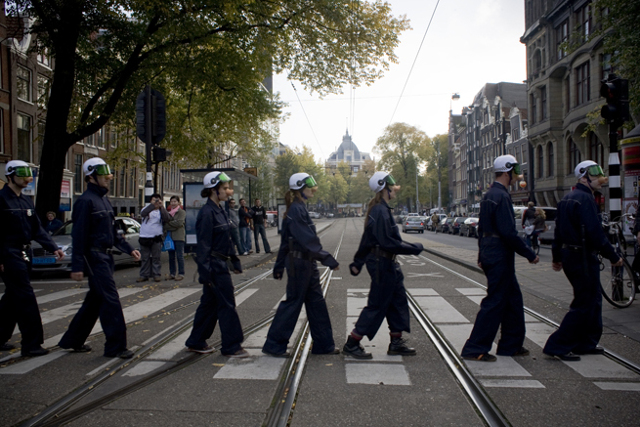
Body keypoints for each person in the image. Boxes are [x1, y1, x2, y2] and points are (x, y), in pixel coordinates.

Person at [58, 158, 141, 358]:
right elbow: (78, 236)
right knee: (110, 301)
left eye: (108, 175)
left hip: (105, 256)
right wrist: (77, 265)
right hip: (95, 258)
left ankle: (73, 339)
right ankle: (115, 347)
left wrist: (128, 249)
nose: (108, 179)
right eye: (104, 176)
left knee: (94, 301)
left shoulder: (103, 200)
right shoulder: (85, 202)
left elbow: (112, 232)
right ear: (91, 177)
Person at [460, 155, 539, 362]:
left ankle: (510, 345)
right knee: (495, 301)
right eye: (514, 172)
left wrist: (481, 254)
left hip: (490, 251)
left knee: (513, 299)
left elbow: (482, 228)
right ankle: (475, 347)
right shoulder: (502, 196)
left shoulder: (488, 195)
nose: (515, 176)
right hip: (499, 254)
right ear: (507, 172)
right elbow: (508, 232)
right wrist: (529, 254)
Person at [543, 160, 621, 361]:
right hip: (582, 256)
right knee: (585, 302)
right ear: (585, 177)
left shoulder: (567, 199)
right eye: (596, 175)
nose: (601, 179)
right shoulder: (585, 200)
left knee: (592, 299)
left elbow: (558, 232)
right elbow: (595, 232)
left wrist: (556, 256)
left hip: (571, 255)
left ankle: (586, 342)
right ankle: (557, 345)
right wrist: (613, 256)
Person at [342, 171, 424, 359]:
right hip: (382, 263)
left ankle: (396, 341)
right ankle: (353, 342)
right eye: (391, 183)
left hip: (387, 263)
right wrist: (413, 248)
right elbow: (386, 242)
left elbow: (367, 238)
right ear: (383, 187)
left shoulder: (381, 209)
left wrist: (358, 262)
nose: (395, 186)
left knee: (397, 301)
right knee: (377, 304)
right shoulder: (380, 211)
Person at [262, 173, 339, 357]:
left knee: (316, 304)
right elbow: (307, 239)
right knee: (293, 303)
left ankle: (324, 345)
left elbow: (285, 242)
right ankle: (274, 345)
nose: (313, 187)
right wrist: (327, 258)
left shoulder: (298, 208)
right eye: (309, 184)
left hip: (305, 262)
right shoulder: (297, 210)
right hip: (300, 263)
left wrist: (279, 265)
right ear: (299, 187)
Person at [0, 161, 64, 356]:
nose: (27, 177)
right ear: (10, 176)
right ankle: (31, 344)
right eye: (22, 173)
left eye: (29, 172)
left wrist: (53, 247)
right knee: (26, 297)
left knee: (12, 298)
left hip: (23, 252)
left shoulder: (26, 200)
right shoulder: (1, 200)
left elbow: (37, 228)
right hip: (8, 253)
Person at [185, 171, 248, 358]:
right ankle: (231, 346)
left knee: (209, 304)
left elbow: (227, 240)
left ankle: (196, 340)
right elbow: (203, 245)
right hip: (214, 266)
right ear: (214, 189)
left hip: (220, 263)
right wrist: (206, 272)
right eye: (225, 188)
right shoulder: (207, 213)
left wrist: (235, 261)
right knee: (227, 305)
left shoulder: (220, 210)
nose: (229, 192)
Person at [137, 193, 169, 282]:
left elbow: (166, 218)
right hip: (144, 237)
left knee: (156, 257)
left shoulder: (161, 211)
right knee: (145, 258)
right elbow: (143, 213)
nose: (156, 202)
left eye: (158, 200)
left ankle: (156, 274)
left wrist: (161, 207)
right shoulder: (145, 209)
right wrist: (152, 206)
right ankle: (144, 275)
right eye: (154, 200)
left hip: (156, 237)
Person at [164, 196, 186, 281]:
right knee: (171, 257)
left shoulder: (182, 212)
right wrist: (173, 225)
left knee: (180, 256)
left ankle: (181, 273)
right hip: (170, 237)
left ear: (178, 203)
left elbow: (179, 223)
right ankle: (172, 273)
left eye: (175, 201)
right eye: (171, 202)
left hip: (179, 237)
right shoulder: (168, 213)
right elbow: (165, 225)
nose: (173, 203)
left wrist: (170, 224)